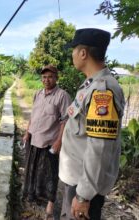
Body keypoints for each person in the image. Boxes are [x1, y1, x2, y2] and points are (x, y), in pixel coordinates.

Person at [59, 28, 125, 220]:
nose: (72, 55)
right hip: (76, 180)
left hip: (84, 187)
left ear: (83, 53)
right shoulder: (90, 85)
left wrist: (83, 195)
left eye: (73, 50)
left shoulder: (102, 91)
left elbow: (100, 148)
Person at [23, 64, 71, 219]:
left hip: (49, 142)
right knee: (34, 169)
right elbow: (33, 115)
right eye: (44, 77)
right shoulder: (38, 94)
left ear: (56, 78)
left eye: (50, 76)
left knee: (51, 173)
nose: (46, 80)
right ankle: (33, 193)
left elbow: (65, 121)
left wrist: (59, 141)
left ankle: (51, 201)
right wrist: (26, 132)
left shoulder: (62, 96)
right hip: (34, 138)